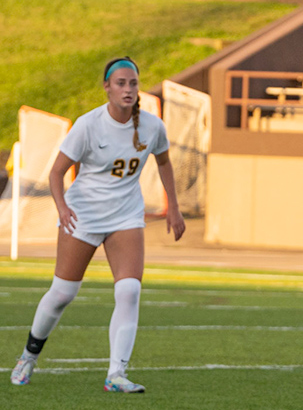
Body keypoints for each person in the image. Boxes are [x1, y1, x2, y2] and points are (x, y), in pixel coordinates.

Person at [9, 57, 186, 392]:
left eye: (133, 83)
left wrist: (174, 208)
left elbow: (164, 162)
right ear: (106, 87)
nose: (128, 89)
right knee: (63, 293)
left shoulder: (151, 126)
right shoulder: (88, 124)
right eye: (120, 83)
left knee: (129, 289)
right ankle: (28, 356)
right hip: (84, 214)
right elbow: (57, 172)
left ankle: (116, 374)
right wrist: (61, 208)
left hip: (125, 216)